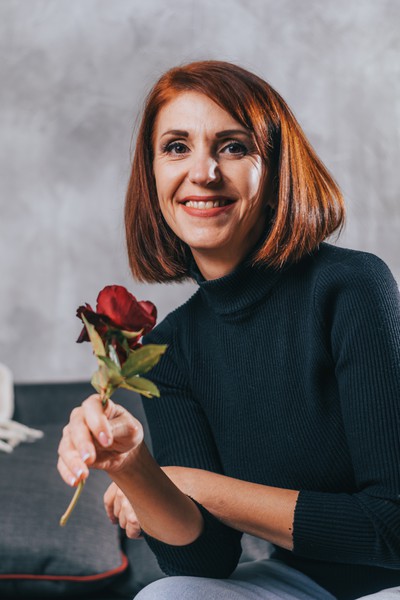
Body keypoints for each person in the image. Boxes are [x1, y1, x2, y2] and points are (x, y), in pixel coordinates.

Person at [57, 61, 400, 600]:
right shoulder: (170, 349)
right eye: (176, 147)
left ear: (276, 172)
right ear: (152, 176)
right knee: (167, 596)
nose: (204, 172)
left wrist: (199, 486)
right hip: (303, 582)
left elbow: (392, 527)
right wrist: (135, 467)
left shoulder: (351, 286)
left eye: (233, 147)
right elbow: (206, 560)